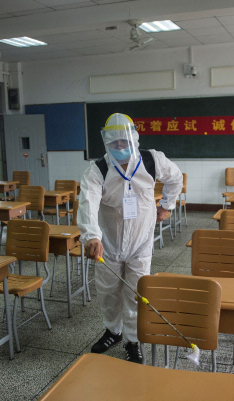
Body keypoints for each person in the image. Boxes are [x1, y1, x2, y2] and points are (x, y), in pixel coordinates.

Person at [77, 113, 183, 363]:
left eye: (124, 142)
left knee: (136, 293)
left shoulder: (151, 160)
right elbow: (88, 202)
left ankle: (132, 340)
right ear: (107, 144)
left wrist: (167, 205)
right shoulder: (98, 169)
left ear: (133, 138)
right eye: (115, 144)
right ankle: (113, 331)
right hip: (109, 244)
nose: (120, 147)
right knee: (108, 292)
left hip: (141, 243)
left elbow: (176, 177)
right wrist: (91, 235)